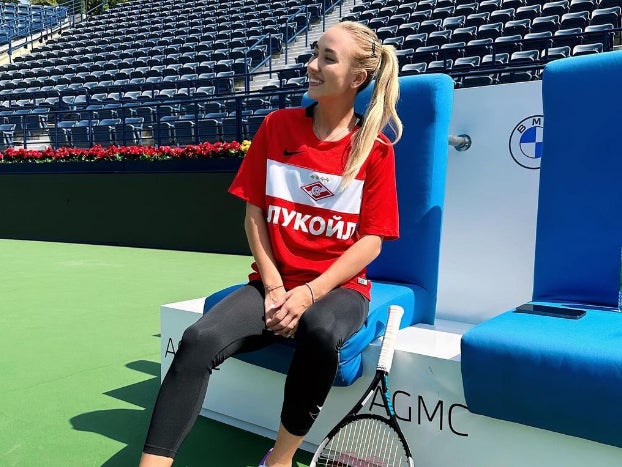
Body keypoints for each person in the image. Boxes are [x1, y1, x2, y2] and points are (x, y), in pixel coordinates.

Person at [139, 20, 403, 467]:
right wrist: (277, 286)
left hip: (338, 290)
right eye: (314, 52)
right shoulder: (277, 127)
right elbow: (254, 214)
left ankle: (279, 459)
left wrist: (308, 293)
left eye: (327, 58)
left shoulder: (376, 150)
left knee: (319, 332)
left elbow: (371, 242)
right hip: (273, 284)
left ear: (357, 78)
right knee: (198, 339)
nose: (312, 65)